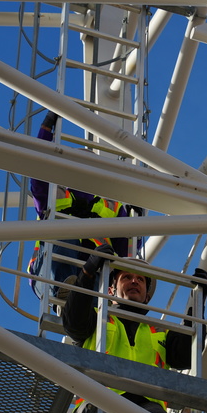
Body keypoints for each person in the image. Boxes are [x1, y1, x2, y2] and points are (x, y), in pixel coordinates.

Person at [63, 245, 207, 413]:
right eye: (126, 278)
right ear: (111, 290)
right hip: (100, 412)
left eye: (140, 279)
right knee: (97, 412)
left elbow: (188, 351)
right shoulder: (98, 321)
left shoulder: (157, 332)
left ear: (147, 294)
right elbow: (72, 321)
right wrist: (87, 272)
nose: (134, 282)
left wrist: (198, 303)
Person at [27, 111, 134, 301]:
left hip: (93, 274)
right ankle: (65, 288)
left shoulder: (112, 205)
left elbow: (127, 246)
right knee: (65, 226)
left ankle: (87, 305)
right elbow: (38, 169)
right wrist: (45, 131)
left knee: (104, 256)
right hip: (48, 272)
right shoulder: (53, 191)